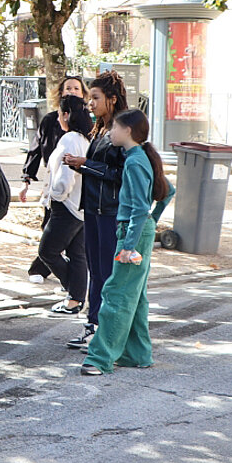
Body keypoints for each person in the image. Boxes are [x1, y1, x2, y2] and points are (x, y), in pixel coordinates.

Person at [82, 110, 174, 375]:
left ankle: (99, 359)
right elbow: (168, 191)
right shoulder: (141, 157)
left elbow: (138, 208)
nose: (110, 131)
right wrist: (151, 223)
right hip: (138, 232)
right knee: (135, 295)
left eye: (114, 127)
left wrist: (129, 245)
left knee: (116, 294)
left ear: (128, 132)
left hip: (131, 233)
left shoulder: (134, 162)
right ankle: (137, 353)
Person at [63, 71, 129, 351]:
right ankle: (93, 325)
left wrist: (85, 164)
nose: (89, 103)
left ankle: (102, 330)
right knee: (96, 270)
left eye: (95, 98)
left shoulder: (122, 127)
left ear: (112, 100)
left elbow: (123, 172)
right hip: (92, 208)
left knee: (105, 273)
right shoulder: (100, 128)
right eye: (89, 98)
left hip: (109, 211)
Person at [20, 76, 86, 284]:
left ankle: (73, 286)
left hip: (72, 192)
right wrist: (27, 179)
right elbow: (35, 149)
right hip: (56, 186)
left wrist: (57, 193)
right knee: (53, 234)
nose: (72, 91)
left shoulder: (83, 129)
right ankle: (56, 278)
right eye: (68, 88)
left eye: (77, 88)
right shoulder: (51, 120)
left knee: (64, 243)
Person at [41, 95, 93, 316]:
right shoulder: (84, 139)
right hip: (80, 207)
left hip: (67, 206)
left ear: (67, 114)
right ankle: (76, 300)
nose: (58, 117)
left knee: (47, 251)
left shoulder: (70, 139)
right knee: (77, 254)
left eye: (60, 113)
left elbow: (65, 177)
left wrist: (54, 196)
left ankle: (75, 292)